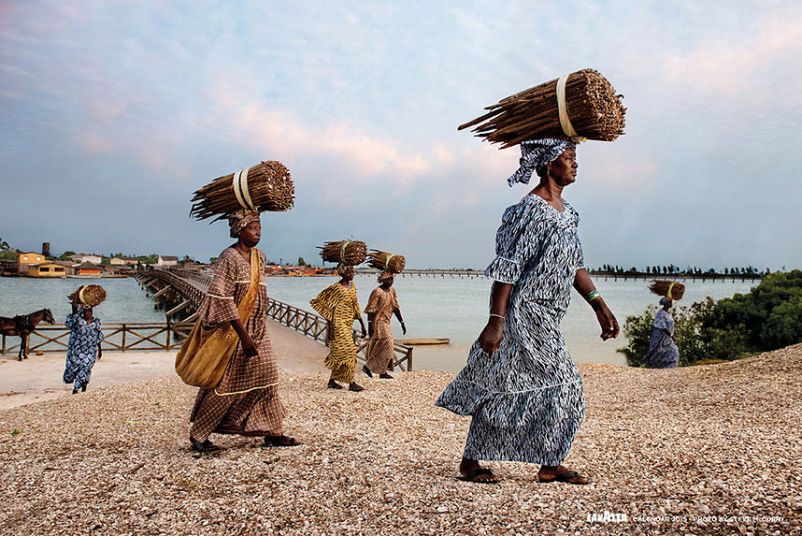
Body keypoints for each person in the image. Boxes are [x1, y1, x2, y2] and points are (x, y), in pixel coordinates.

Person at [436, 137, 620, 484]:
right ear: (549, 164)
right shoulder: (530, 211)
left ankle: (534, 462)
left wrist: (599, 304)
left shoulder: (569, 213)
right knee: (563, 385)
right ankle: (513, 462)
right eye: (569, 157)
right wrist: (496, 321)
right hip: (522, 314)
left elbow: (574, 265)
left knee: (516, 383)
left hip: (549, 315)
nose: (575, 163)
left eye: (575, 157)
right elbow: (507, 268)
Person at [188, 210, 299, 452]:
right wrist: (244, 336)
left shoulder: (260, 257)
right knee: (227, 383)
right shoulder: (229, 257)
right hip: (235, 331)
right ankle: (199, 434)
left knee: (269, 377)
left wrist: (255, 331)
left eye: (260, 227)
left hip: (259, 327)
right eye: (253, 228)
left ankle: (273, 432)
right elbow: (222, 297)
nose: (258, 232)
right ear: (239, 230)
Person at [310, 264, 368, 391]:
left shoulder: (353, 287)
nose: (353, 273)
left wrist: (363, 325)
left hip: (348, 323)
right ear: (343, 273)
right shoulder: (336, 288)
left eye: (353, 271)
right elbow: (327, 307)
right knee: (349, 350)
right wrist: (330, 328)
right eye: (350, 271)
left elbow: (356, 306)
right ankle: (352, 383)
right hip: (338, 322)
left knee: (340, 352)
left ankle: (331, 381)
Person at [362, 272, 406, 379]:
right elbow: (371, 310)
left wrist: (402, 322)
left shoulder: (392, 291)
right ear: (383, 280)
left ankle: (381, 371)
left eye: (392, 279)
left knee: (382, 346)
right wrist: (369, 325)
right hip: (377, 322)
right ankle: (370, 367)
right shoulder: (377, 292)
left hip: (386, 322)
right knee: (388, 342)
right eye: (388, 280)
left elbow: (395, 307)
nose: (391, 282)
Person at [63, 293, 104, 394]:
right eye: (87, 311)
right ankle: (83, 386)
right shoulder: (78, 321)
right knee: (80, 368)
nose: (89, 313)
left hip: (91, 350)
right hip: (77, 350)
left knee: (86, 367)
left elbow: (98, 336)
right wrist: (78, 293)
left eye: (90, 311)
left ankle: (76, 389)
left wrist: (100, 350)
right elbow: (74, 308)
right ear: (83, 312)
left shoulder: (96, 322)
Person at [644, 297, 679, 368]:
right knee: (660, 354)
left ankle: (669, 370)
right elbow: (662, 327)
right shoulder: (661, 314)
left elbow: (671, 326)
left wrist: (674, 335)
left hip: (668, 339)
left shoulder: (668, 313)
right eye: (670, 302)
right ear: (666, 304)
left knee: (674, 352)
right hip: (662, 339)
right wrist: (672, 336)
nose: (671, 303)